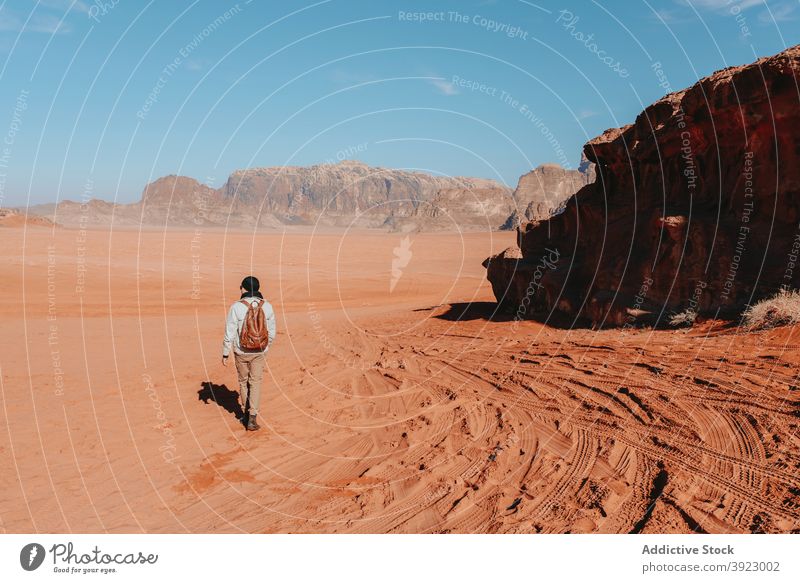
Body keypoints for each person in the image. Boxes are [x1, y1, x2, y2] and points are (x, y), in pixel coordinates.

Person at [222, 276, 276, 431]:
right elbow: (271, 332)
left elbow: (230, 332)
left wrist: (225, 353)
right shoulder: (267, 306)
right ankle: (253, 417)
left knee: (243, 381)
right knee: (256, 382)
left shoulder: (236, 307)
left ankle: (245, 415)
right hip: (260, 351)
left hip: (241, 351)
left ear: (243, 288)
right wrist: (265, 347)